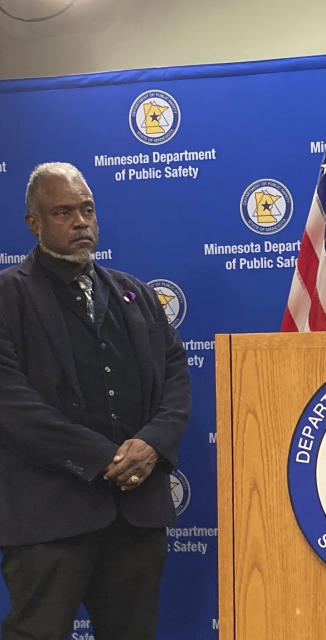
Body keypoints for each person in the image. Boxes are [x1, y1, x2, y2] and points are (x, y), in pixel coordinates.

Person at [0, 162, 191, 639]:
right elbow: (12, 403)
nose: (81, 222)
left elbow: (175, 380)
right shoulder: (8, 296)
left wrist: (151, 444)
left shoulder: (136, 294)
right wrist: (102, 458)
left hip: (136, 517)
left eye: (87, 210)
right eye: (63, 212)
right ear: (33, 223)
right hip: (48, 518)